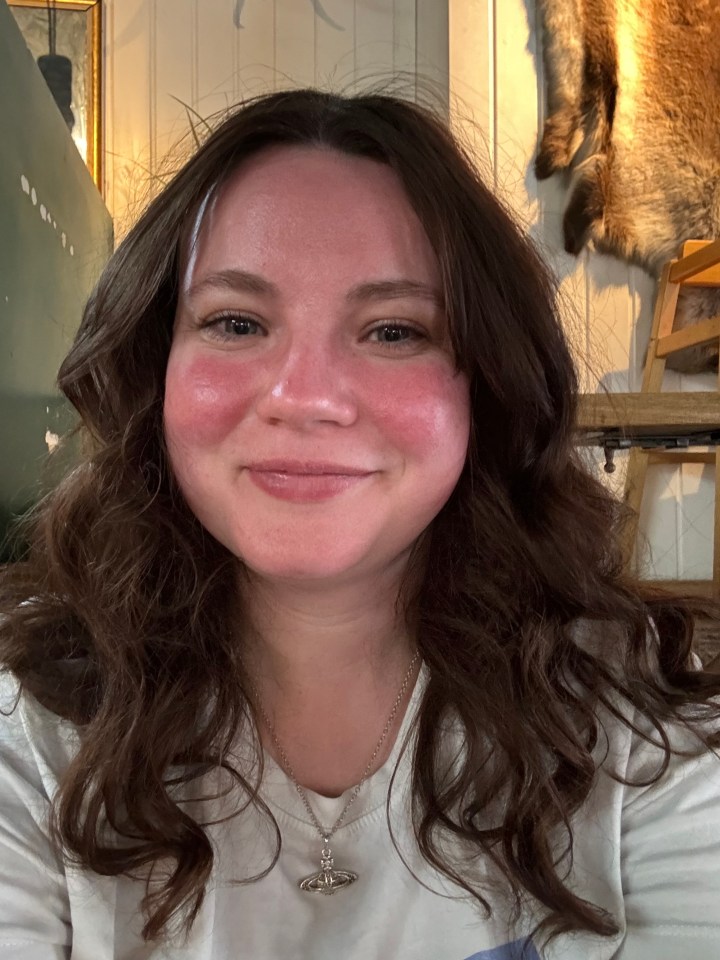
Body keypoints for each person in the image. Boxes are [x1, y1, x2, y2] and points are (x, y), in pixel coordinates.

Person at [0, 87, 719, 960]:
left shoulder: (641, 717)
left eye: (392, 331)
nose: (304, 397)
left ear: (484, 383)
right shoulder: (31, 727)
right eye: (235, 322)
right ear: (155, 370)